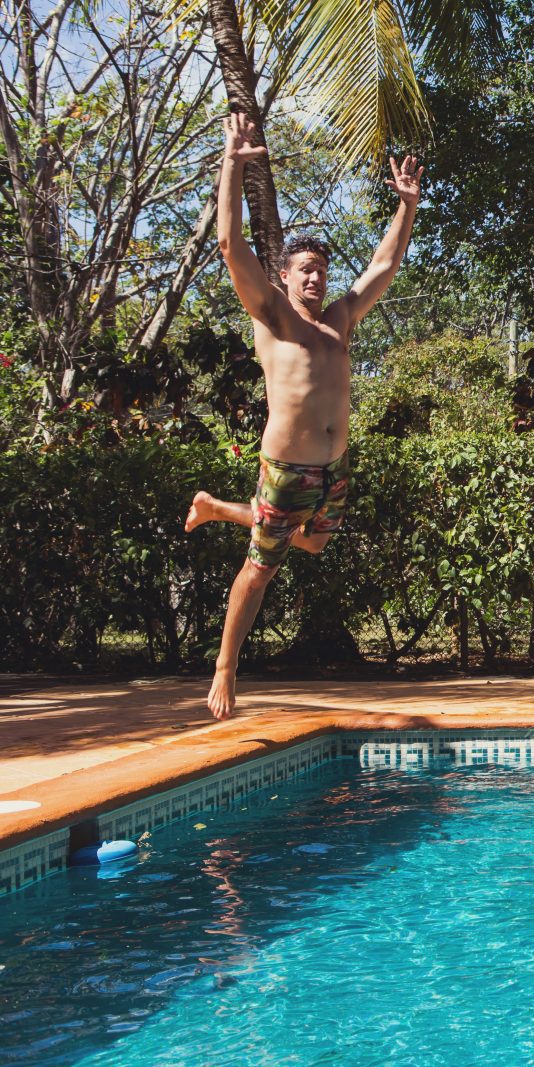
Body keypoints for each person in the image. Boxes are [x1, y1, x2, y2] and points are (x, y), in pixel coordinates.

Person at [184, 112, 422, 718]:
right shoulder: (271, 315)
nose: (316, 277)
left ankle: (215, 507)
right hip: (287, 467)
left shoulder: (340, 319)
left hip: (334, 466)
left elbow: (384, 267)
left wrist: (406, 207)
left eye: (321, 268)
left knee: (311, 546)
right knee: (260, 570)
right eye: (304, 269)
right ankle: (226, 666)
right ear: (284, 277)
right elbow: (229, 245)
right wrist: (231, 166)